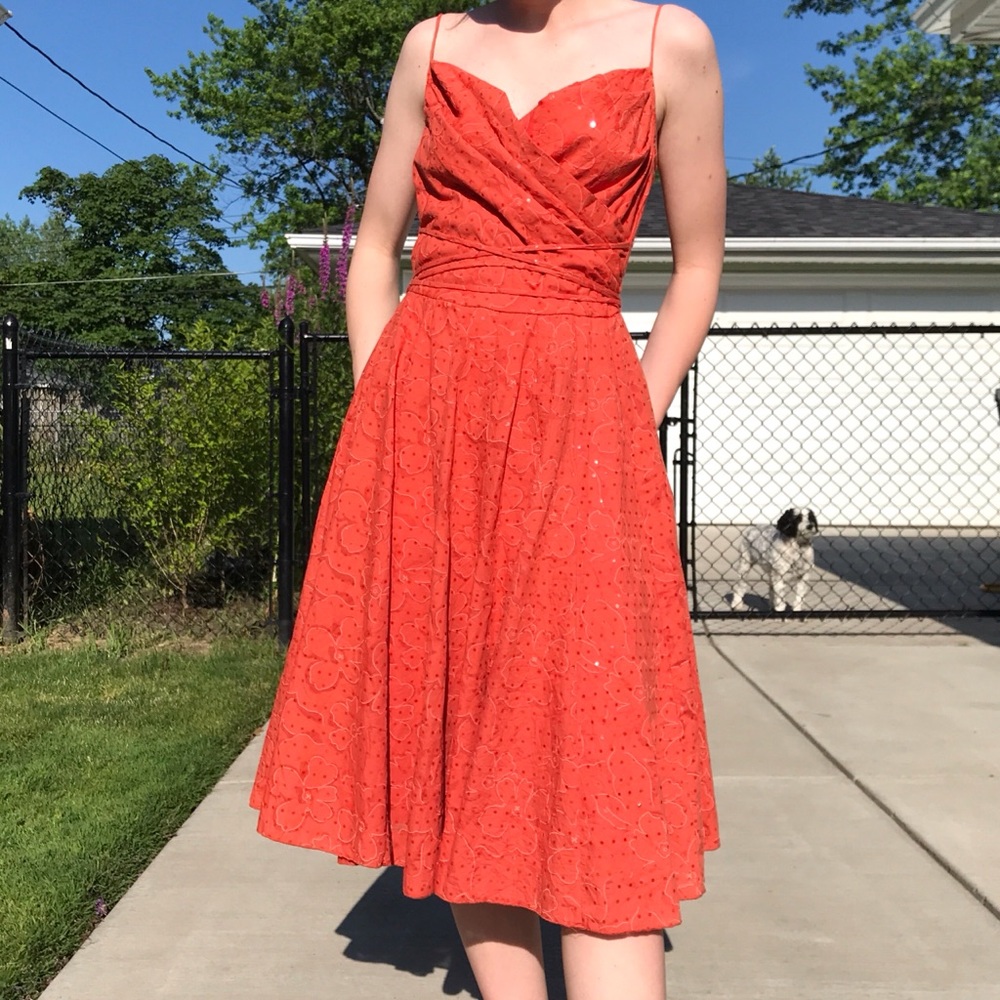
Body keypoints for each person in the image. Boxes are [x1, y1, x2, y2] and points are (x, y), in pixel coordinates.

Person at [250, 1, 725, 997]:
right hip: (430, 427)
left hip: (584, 422)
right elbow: (373, 252)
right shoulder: (430, 47)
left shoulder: (667, 42)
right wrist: (392, 425)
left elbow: (696, 266)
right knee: (464, 732)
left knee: (599, 753)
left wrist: (627, 421)